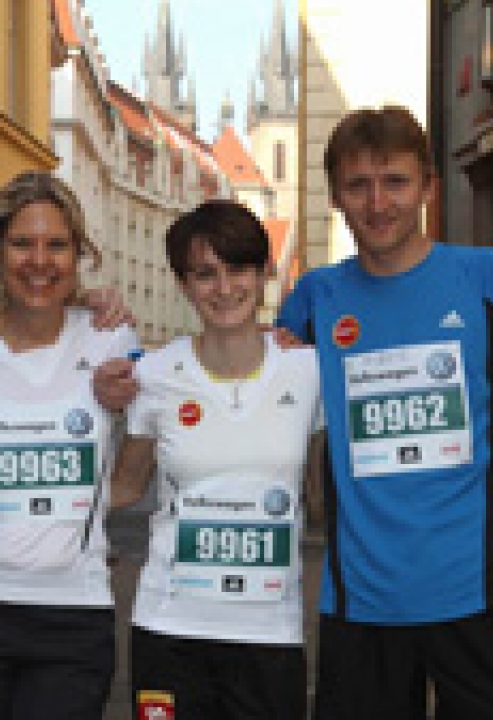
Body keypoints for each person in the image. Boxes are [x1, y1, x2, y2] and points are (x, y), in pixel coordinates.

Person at [275, 106, 493, 719]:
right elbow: (231, 371)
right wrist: (107, 331)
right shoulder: (314, 300)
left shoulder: (492, 281)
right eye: (358, 184)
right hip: (359, 610)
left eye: (395, 181)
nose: (377, 202)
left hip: (487, 601)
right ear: (335, 195)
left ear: (427, 187)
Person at [0, 171, 140, 720]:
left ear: (78, 254)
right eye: (22, 243)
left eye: (56, 245)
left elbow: (184, 405)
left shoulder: (112, 339)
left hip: (74, 610)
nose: (39, 261)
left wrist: (278, 339)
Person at [110, 200, 325, 720]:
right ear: (184, 285)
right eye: (205, 274)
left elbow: (320, 497)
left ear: (263, 273)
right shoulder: (156, 375)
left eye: (238, 269)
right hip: (170, 629)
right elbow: (124, 488)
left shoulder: (309, 371)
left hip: (270, 634)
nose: (224, 288)